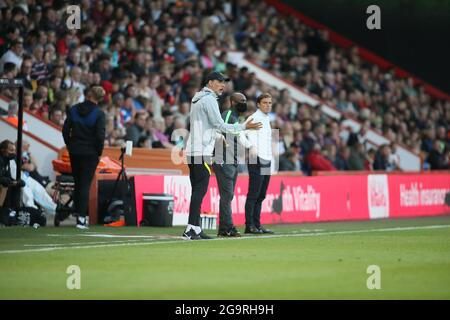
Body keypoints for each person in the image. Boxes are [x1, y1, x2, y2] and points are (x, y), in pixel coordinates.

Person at [183, 71, 262, 240]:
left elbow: (205, 126)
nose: (223, 85)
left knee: (197, 191)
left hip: (192, 150)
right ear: (210, 82)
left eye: (224, 82)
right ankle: (190, 229)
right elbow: (220, 125)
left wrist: (217, 137)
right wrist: (244, 127)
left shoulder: (197, 98)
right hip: (201, 152)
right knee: (199, 191)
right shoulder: (209, 99)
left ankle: (195, 228)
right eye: (219, 82)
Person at [62, 86, 106, 229]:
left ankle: (77, 213)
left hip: (75, 151)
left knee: (78, 182)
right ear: (99, 98)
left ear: (88, 95)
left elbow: (65, 130)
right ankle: (81, 218)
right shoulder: (98, 114)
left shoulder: (74, 109)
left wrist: (70, 145)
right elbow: (100, 136)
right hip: (90, 153)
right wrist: (98, 152)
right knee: (85, 184)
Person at [213, 92, 255, 237]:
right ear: (232, 102)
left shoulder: (237, 117)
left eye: (245, 100)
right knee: (227, 195)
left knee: (228, 196)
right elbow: (221, 130)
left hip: (232, 160)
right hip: (224, 159)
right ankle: (227, 227)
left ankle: (224, 228)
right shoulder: (227, 114)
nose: (244, 102)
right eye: (240, 100)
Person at [244, 93, 275, 234]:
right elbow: (246, 134)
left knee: (261, 194)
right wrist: (251, 147)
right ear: (258, 104)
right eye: (265, 102)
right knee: (254, 193)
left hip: (266, 159)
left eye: (269, 102)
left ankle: (257, 224)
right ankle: (249, 225)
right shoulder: (254, 118)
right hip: (256, 159)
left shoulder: (267, 119)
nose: (268, 105)